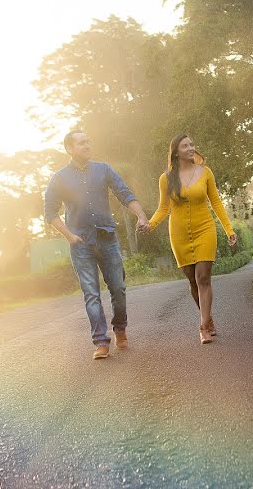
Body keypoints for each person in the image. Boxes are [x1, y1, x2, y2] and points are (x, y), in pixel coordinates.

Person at [44, 129, 150, 360]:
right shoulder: (60, 178)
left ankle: (120, 328)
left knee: (118, 289)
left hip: (107, 238)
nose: (87, 145)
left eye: (88, 141)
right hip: (80, 243)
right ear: (69, 148)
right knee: (91, 293)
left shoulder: (103, 169)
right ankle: (101, 341)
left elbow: (124, 193)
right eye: (81, 143)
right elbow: (50, 212)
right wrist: (69, 235)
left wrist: (141, 216)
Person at [142, 134, 237, 344]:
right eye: (185, 146)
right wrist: (150, 224)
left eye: (192, 144)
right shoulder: (166, 178)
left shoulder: (205, 172)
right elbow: (164, 208)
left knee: (203, 277)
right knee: (192, 280)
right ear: (176, 151)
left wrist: (229, 229)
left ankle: (203, 326)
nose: (191, 148)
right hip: (179, 234)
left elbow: (217, 203)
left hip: (205, 228)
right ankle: (208, 317)